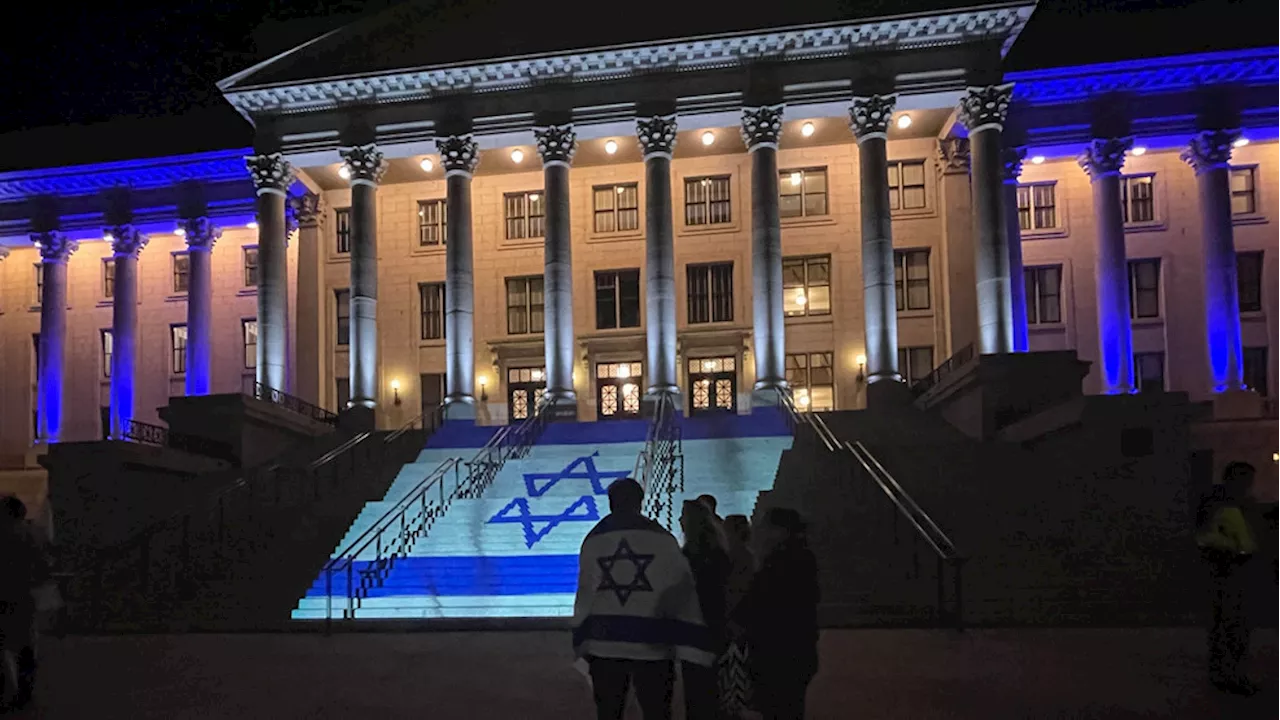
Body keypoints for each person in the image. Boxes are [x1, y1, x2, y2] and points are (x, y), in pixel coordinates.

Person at [573, 479, 716, 720]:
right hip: (654, 641)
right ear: (640, 502)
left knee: (609, 710)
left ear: (611, 503)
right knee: (656, 710)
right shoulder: (662, 539)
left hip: (604, 641)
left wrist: (581, 636)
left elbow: (587, 590)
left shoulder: (594, 539)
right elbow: (679, 588)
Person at [735, 507, 819, 720]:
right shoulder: (799, 558)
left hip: (778, 650)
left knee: (778, 706)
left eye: (766, 526)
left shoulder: (782, 563)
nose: (760, 531)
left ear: (780, 530)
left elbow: (763, 602)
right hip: (792, 648)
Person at [1195, 461, 1259, 696]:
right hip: (1228, 573)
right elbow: (1215, 539)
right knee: (1231, 628)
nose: (1249, 484)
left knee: (1229, 628)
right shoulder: (1227, 506)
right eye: (1245, 479)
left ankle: (1226, 674)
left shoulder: (1230, 504)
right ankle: (1230, 675)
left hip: (1229, 573)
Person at [679, 500, 730, 720]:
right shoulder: (719, 555)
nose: (680, 520)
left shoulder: (688, 557)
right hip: (712, 627)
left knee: (697, 688)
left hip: (697, 628)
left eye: (684, 516)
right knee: (709, 688)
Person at [0, 496, 49, 711]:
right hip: (24, 596)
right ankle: (24, 691)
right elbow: (41, 569)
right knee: (25, 646)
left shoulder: (3, 535)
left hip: (4, 595)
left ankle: (6, 690)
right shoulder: (32, 535)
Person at [720, 514, 756, 717]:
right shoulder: (748, 555)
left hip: (734, 621)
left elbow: (735, 590)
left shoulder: (734, 556)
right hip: (742, 620)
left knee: (731, 670)